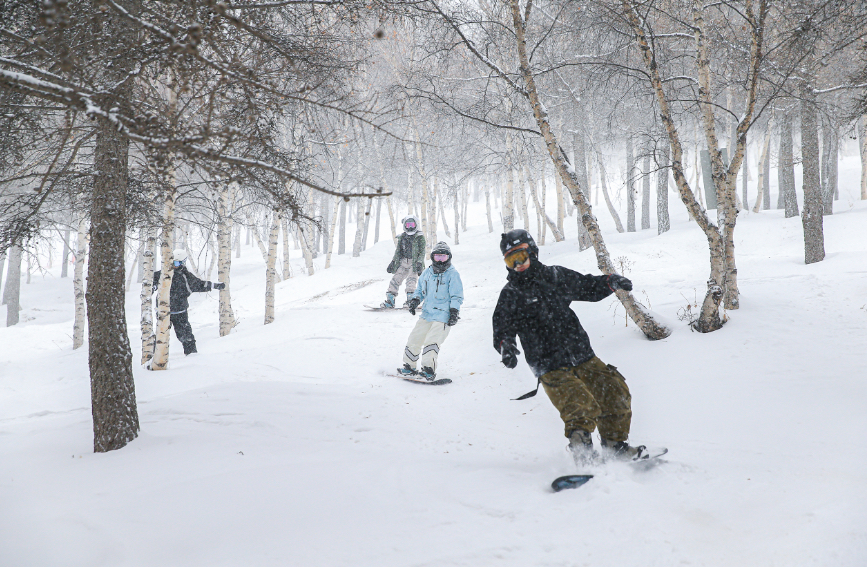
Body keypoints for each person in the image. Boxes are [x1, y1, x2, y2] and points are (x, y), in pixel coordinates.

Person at [492, 229, 647, 464]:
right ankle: (582, 453)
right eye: (510, 260)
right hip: (548, 363)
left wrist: (610, 281)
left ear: (532, 251)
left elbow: (587, 286)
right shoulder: (511, 294)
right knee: (578, 404)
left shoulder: (555, 277)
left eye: (520, 256)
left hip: (581, 353)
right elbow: (502, 327)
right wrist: (506, 346)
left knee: (615, 390)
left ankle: (614, 445)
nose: (517, 265)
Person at [397, 241, 463, 381]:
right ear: (432, 257)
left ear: (449, 258)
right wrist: (415, 300)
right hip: (427, 314)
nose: (440, 260)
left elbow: (457, 296)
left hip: (443, 316)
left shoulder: (452, 274)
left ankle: (428, 370)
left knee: (431, 342)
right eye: (437, 257)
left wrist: (454, 312)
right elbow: (420, 290)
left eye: (443, 257)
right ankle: (409, 366)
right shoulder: (427, 273)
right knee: (414, 339)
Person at [152, 249, 225, 355]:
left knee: (186, 336)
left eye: (177, 263)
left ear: (182, 263)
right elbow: (150, 282)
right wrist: (152, 287)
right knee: (160, 336)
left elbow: (200, 284)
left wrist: (215, 285)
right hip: (163, 311)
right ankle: (154, 357)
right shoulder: (163, 274)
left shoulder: (185, 276)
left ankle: (191, 355)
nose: (174, 265)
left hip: (179, 311)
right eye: (172, 262)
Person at [382, 215, 425, 308]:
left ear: (416, 225)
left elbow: (422, 252)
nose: (410, 227)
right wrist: (393, 262)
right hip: (403, 262)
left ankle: (410, 300)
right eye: (408, 224)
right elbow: (398, 252)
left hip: (414, 263)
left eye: (412, 225)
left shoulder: (420, 237)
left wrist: (420, 262)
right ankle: (390, 299)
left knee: (411, 280)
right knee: (396, 279)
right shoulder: (402, 237)